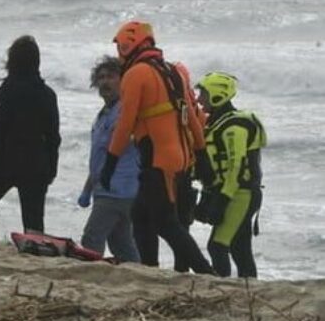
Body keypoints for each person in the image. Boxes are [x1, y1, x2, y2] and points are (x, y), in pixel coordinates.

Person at [100, 21, 214, 274]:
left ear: (128, 45)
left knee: (165, 223)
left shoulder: (136, 74)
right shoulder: (172, 70)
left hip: (158, 159)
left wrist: (110, 162)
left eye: (120, 46)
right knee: (140, 216)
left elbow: (125, 124)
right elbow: (192, 116)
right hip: (180, 157)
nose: (119, 53)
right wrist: (202, 155)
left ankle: (207, 273)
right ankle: (150, 270)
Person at [0, 35, 60, 240]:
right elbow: (53, 137)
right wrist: (51, 168)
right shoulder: (47, 94)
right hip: (36, 165)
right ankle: (34, 256)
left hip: (3, 163)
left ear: (12, 62)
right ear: (37, 62)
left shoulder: (6, 92)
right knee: (34, 223)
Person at [195, 72, 266, 278]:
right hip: (231, 192)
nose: (199, 100)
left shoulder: (235, 126)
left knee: (217, 246)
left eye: (204, 95)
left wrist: (222, 200)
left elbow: (236, 166)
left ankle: (223, 288)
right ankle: (249, 288)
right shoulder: (217, 123)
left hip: (240, 194)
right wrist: (208, 196)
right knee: (239, 247)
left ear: (218, 95)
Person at [77, 56, 140, 262]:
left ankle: (91, 276)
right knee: (120, 242)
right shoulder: (103, 114)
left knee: (92, 237)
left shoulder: (126, 111)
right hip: (104, 188)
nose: (105, 82)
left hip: (118, 189)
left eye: (111, 77)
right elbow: (99, 158)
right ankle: (138, 273)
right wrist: (87, 190)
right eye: (101, 77)